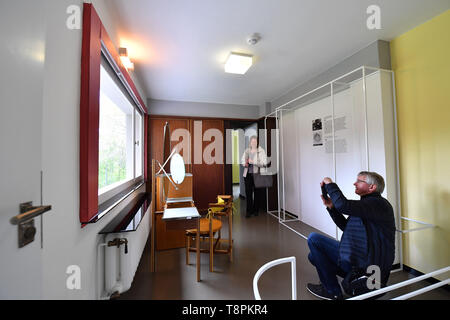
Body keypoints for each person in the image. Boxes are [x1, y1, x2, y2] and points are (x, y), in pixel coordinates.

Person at [306, 171, 396, 300]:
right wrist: (331, 207)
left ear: (372, 187)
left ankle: (332, 291)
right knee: (313, 256)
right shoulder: (366, 205)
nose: (355, 183)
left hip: (367, 265)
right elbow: (345, 226)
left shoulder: (379, 204)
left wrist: (330, 183)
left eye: (360, 181)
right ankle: (334, 285)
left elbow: (343, 204)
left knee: (314, 239)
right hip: (360, 259)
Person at [241, 135, 268, 218]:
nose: (253, 143)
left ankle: (256, 210)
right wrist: (245, 163)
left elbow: (264, 163)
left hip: (257, 175)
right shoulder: (247, 151)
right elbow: (242, 161)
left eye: (255, 142)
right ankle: (249, 211)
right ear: (250, 143)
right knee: (248, 193)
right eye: (252, 141)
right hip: (248, 175)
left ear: (257, 143)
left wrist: (253, 161)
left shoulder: (261, 151)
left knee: (257, 194)